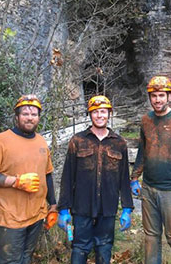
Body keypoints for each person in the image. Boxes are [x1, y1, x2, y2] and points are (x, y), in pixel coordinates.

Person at [0, 94, 57, 264]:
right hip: (9, 218)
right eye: (25, 114)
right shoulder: (0, 141)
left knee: (26, 258)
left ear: (38, 118)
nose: (30, 118)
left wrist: (53, 205)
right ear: (16, 117)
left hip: (36, 215)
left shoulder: (42, 142)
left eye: (34, 114)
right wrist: (15, 181)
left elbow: (47, 175)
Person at [57, 95, 133, 264]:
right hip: (81, 207)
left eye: (103, 112)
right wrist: (63, 209)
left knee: (104, 247)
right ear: (90, 114)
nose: (100, 115)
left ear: (109, 114)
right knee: (80, 248)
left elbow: (124, 179)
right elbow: (67, 177)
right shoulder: (77, 141)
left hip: (108, 208)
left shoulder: (119, 143)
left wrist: (127, 208)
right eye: (96, 112)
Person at [130, 76, 171, 264]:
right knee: (151, 236)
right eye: (154, 96)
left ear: (169, 96)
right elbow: (142, 151)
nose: (157, 100)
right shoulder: (146, 120)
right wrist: (134, 177)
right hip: (149, 187)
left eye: (161, 95)